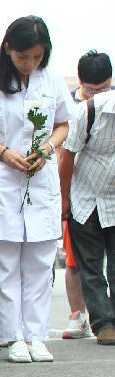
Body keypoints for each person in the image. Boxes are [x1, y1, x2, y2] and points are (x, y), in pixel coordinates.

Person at [0, 16, 75, 363]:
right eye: (24, 56)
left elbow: (63, 125)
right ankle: (12, 336)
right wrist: (3, 153)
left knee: (40, 262)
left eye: (37, 57)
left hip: (39, 178)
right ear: (9, 48)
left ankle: (37, 335)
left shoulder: (51, 80)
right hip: (1, 176)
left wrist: (47, 149)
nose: (30, 64)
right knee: (5, 262)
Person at [60, 66, 115, 345]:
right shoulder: (87, 112)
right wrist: (65, 199)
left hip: (114, 200)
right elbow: (66, 155)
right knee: (89, 267)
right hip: (85, 201)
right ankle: (103, 324)